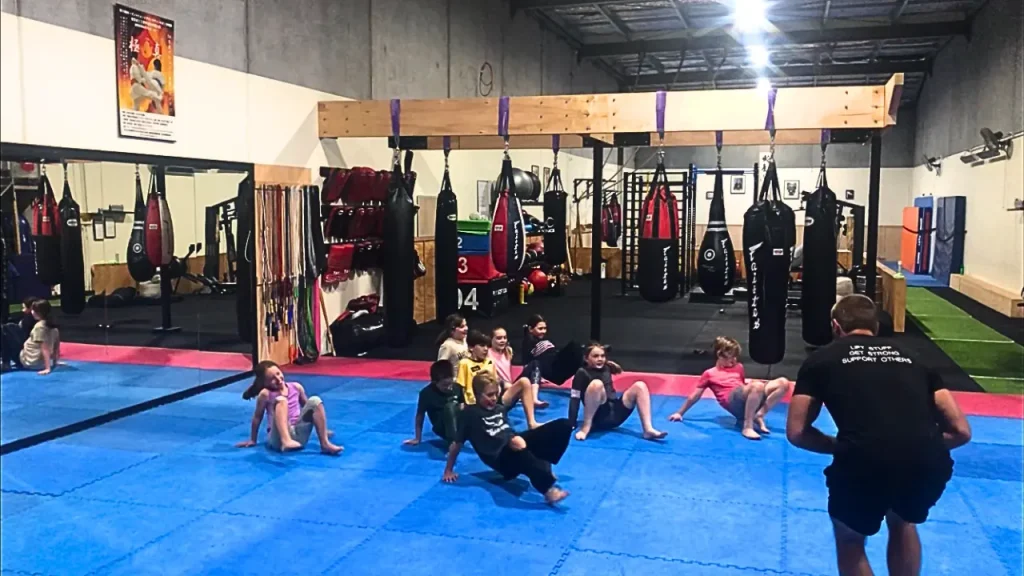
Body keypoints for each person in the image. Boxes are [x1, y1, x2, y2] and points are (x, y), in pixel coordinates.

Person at [787, 294, 972, 576]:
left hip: (863, 461)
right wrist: (920, 444)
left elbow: (797, 432)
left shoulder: (821, 359)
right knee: (903, 522)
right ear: (875, 326)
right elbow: (961, 431)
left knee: (850, 538)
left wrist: (842, 446)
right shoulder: (916, 357)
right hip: (927, 462)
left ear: (836, 327)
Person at [443, 372, 571, 505]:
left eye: (495, 394)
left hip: (513, 441)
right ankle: (547, 491)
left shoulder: (499, 409)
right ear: (477, 395)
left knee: (564, 425)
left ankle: (545, 470)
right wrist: (448, 470)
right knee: (516, 444)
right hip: (500, 459)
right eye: (489, 395)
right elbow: (456, 444)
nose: (493, 398)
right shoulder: (469, 415)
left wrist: (516, 438)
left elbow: (507, 430)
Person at [668, 336, 791, 440]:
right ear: (719, 356)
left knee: (783, 383)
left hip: (745, 399)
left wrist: (751, 388)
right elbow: (695, 395)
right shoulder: (710, 373)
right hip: (731, 401)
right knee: (757, 385)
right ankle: (747, 427)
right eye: (729, 357)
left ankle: (759, 415)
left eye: (735, 357)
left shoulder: (739, 367)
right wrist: (680, 413)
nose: (733, 360)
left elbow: (741, 385)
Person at [236, 360, 344, 455]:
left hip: (298, 436)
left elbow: (310, 409)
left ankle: (325, 444)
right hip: (277, 439)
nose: (278, 379)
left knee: (315, 400)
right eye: (272, 379)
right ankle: (286, 440)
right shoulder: (265, 394)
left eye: (278, 374)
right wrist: (252, 439)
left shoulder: (296, 387)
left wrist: (323, 431)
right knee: (281, 400)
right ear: (265, 383)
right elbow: (257, 417)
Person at [569, 342, 667, 441]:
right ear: (586, 358)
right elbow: (574, 399)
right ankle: (586, 427)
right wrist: (571, 423)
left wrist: (610, 364)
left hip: (616, 414)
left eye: (602, 356)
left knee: (640, 385)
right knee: (596, 384)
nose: (600, 359)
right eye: (595, 356)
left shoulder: (606, 367)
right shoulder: (581, 373)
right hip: (599, 417)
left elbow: (614, 367)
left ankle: (648, 429)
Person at [457, 329, 541, 429]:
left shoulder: (489, 362)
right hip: (476, 405)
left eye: (486, 346)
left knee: (524, 382)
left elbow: (496, 382)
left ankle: (531, 423)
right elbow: (460, 386)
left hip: (495, 401)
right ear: (471, 348)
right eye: (481, 346)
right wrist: (462, 404)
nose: (485, 349)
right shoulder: (465, 363)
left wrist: (504, 385)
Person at [520, 314, 584, 408]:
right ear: (530, 329)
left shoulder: (542, 340)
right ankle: (534, 399)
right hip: (552, 370)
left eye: (545, 328)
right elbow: (527, 364)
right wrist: (537, 377)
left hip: (557, 365)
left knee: (577, 349)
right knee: (575, 346)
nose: (543, 331)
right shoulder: (527, 342)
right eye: (540, 328)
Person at [404, 360, 463, 447]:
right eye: (444, 385)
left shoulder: (457, 388)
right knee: (450, 407)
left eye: (450, 384)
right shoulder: (426, 393)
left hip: (459, 426)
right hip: (442, 428)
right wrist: (417, 438)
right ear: (434, 382)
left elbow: (464, 406)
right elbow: (420, 415)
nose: (449, 388)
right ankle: (453, 442)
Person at [9, 300, 60, 375]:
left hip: (31, 361)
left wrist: (47, 368)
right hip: (42, 361)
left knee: (7, 334)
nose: (32, 312)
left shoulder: (39, 327)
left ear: (38, 312)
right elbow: (56, 346)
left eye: (33, 310)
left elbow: (44, 348)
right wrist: (55, 362)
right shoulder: (53, 326)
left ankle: (5, 363)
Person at [1, 297, 40, 371]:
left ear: (32, 308)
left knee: (6, 329)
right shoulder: (48, 324)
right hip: (35, 357)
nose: (22, 310)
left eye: (24, 308)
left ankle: (6, 362)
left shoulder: (30, 322)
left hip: (29, 357)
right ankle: (5, 362)